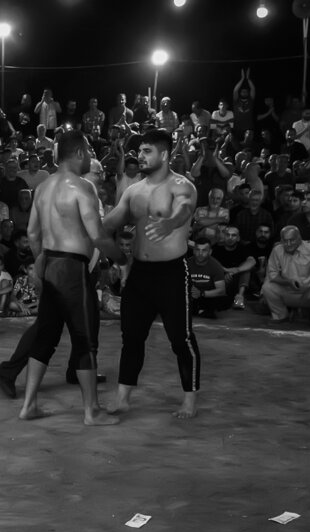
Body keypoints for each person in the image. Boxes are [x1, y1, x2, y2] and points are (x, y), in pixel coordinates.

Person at [15, 130, 119, 426]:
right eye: (87, 151)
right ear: (78, 153)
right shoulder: (83, 186)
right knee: (84, 339)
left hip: (49, 263)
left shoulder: (43, 188)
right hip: (72, 269)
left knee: (45, 336)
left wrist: (40, 263)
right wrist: (122, 257)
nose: (89, 156)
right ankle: (91, 412)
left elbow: (33, 233)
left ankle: (29, 405)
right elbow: (98, 235)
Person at [103, 128, 200, 419]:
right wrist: (84, 224)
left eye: (147, 151)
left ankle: (189, 401)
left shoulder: (182, 186)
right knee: (131, 337)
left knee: (180, 339)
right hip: (140, 273)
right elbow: (110, 223)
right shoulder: (133, 191)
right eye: (139, 151)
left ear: (164, 154)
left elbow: (184, 209)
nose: (140, 156)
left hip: (172, 273)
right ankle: (123, 398)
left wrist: (170, 223)